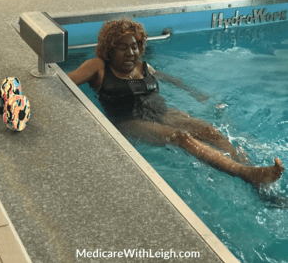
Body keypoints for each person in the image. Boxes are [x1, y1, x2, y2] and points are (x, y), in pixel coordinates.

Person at [68, 17, 284, 186]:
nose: (130, 52)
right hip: (128, 120)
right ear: (110, 49)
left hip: (160, 112)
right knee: (181, 137)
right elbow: (64, 82)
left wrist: (196, 93)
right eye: (123, 47)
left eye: (134, 46)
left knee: (210, 131)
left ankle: (253, 170)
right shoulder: (97, 66)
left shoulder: (143, 66)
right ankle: (245, 173)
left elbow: (171, 79)